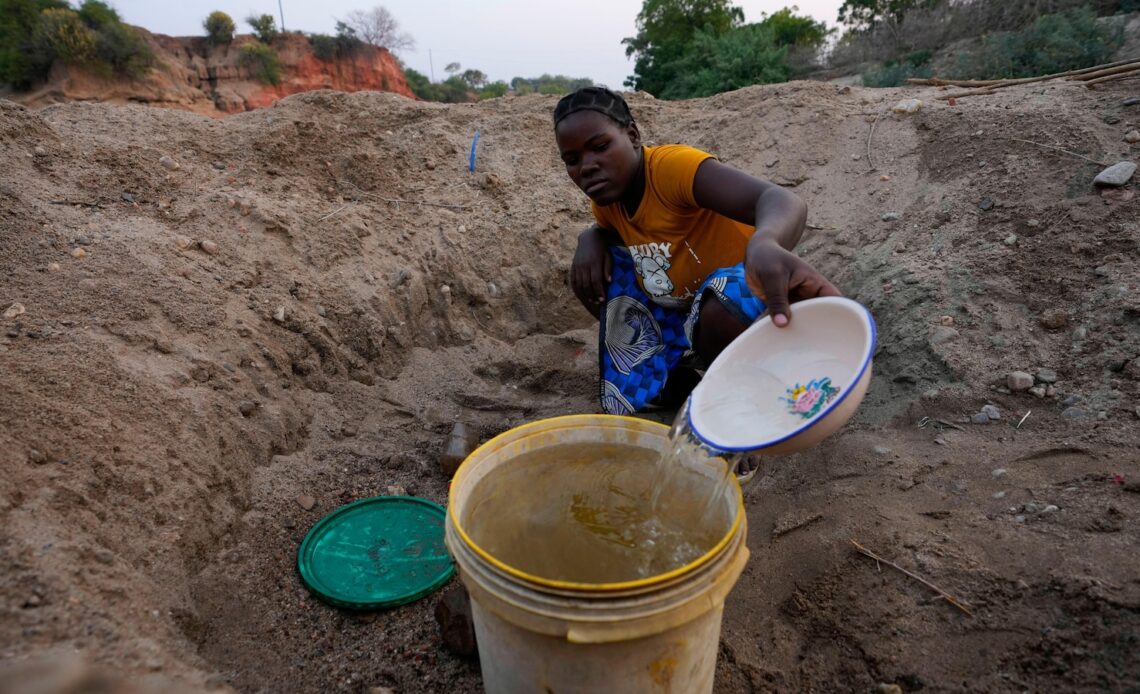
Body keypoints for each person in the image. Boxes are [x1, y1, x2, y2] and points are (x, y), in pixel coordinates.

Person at [554, 86, 840, 415]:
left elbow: (781, 200)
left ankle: (756, 399)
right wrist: (590, 238)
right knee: (592, 276)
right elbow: (607, 234)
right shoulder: (608, 204)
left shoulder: (670, 169)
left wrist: (765, 242)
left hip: (751, 305)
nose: (587, 167)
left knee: (716, 308)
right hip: (688, 311)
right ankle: (677, 381)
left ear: (632, 135)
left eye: (600, 147)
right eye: (572, 160)